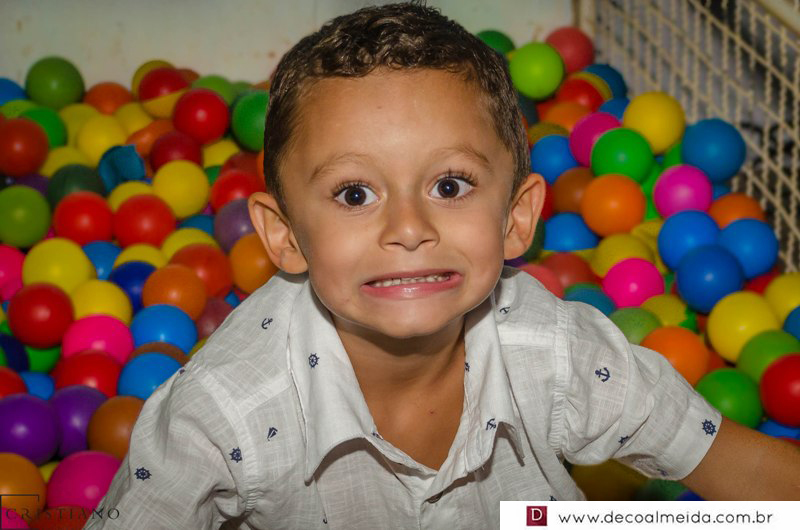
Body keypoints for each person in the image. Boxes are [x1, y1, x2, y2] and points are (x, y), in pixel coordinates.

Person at [86, 2, 800, 528]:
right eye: (355, 194)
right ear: (284, 236)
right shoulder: (224, 413)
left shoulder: (555, 354)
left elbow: (751, 471)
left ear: (516, 218)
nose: (408, 228)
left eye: (449, 186)